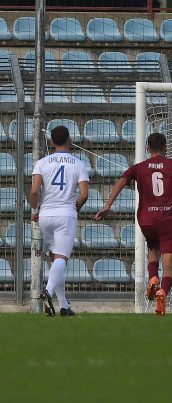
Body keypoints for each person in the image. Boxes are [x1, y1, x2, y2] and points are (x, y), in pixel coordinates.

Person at [94, 132, 172, 315]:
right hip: (168, 220)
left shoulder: (139, 167)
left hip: (147, 221)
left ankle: (153, 277)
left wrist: (107, 205)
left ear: (147, 149)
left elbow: (122, 180)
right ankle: (162, 291)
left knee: (152, 247)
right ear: (165, 147)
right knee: (169, 262)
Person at [29, 125, 90, 317]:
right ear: (69, 140)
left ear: (51, 142)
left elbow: (34, 191)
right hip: (65, 214)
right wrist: (75, 208)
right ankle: (47, 291)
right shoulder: (78, 164)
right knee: (62, 258)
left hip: (45, 215)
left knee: (55, 259)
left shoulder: (42, 162)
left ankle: (64, 306)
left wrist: (35, 210)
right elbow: (84, 194)